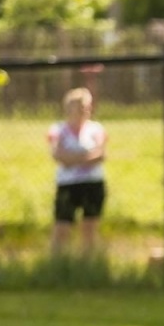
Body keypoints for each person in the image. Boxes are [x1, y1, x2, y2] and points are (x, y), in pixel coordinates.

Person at [47, 87, 107, 256]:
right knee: (62, 227)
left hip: (93, 183)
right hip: (68, 185)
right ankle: (58, 265)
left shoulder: (96, 128)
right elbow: (58, 155)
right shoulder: (58, 129)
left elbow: (101, 154)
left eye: (86, 106)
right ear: (69, 108)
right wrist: (85, 157)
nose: (84, 110)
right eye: (79, 106)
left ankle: (89, 265)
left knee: (90, 228)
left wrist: (73, 159)